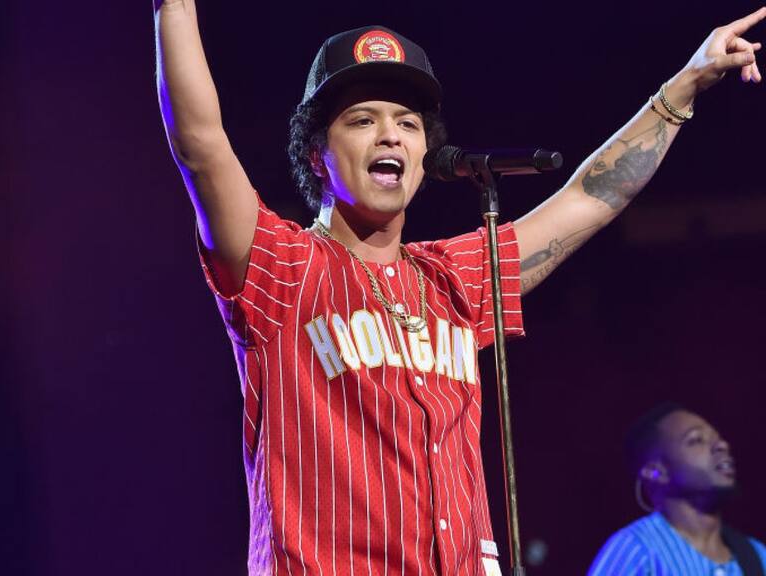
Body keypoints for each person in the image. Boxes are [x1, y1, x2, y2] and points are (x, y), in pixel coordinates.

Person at [153, 2, 765, 573]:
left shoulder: (453, 278)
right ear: (317, 155)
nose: (390, 136)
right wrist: (173, 8)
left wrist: (684, 86)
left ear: (426, 152)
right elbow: (201, 147)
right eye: (363, 121)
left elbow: (589, 196)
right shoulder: (281, 267)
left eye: (408, 124)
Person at [588, 403, 766, 575]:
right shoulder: (636, 549)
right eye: (696, 440)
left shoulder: (757, 556)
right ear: (657, 471)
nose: (722, 445)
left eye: (718, 438)